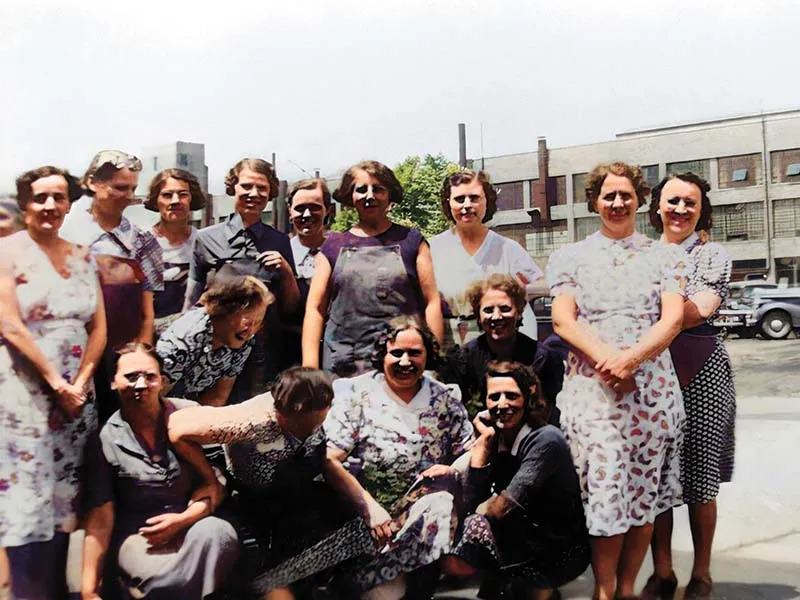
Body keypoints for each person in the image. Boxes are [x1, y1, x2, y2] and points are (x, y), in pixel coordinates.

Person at [545, 162, 687, 600]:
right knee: (605, 489)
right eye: (609, 195)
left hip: (652, 390)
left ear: (639, 199)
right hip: (593, 390)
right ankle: (603, 590)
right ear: (594, 201)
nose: (618, 202)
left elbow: (673, 318)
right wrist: (611, 363)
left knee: (642, 493)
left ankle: (626, 588)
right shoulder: (570, 256)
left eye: (626, 194)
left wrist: (632, 362)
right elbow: (563, 320)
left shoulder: (666, 255)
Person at [167, 366, 374, 599]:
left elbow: (323, 458)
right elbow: (177, 427)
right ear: (289, 414)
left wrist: (368, 508)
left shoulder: (320, 405)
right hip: (252, 505)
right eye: (310, 424)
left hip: (295, 496)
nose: (316, 427)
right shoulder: (250, 423)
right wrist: (208, 478)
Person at [0, 166, 106, 599]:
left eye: (59, 197)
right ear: (25, 203)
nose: (50, 206)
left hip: (78, 398)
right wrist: (55, 382)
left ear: (69, 203)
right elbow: (9, 324)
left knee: (68, 497)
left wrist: (79, 383)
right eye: (40, 198)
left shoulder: (83, 254)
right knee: (28, 497)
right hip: (27, 393)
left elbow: (98, 327)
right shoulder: (6, 252)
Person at [323, 316, 473, 598]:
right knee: (384, 595)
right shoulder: (357, 395)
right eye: (396, 353)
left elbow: (470, 451)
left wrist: (452, 469)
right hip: (371, 517)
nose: (405, 361)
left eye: (414, 353)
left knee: (440, 502)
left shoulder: (444, 400)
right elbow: (329, 459)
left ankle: (371, 577)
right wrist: (370, 509)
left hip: (424, 517)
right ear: (382, 355)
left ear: (427, 355)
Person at [81, 342, 239, 600]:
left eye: (149, 377)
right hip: (141, 538)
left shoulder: (188, 415)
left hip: (193, 525)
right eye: (131, 377)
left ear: (163, 381)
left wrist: (182, 521)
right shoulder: (104, 439)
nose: (140, 385)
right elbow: (101, 517)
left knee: (218, 534)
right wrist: (89, 589)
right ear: (113, 382)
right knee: (170, 580)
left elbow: (217, 483)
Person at [641, 173, 736, 600]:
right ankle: (662, 572)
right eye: (672, 201)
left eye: (689, 203)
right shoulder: (638, 254)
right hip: (650, 369)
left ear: (701, 209)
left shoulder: (712, 253)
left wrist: (647, 307)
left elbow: (699, 310)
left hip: (701, 369)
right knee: (657, 475)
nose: (680, 210)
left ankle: (701, 573)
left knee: (700, 478)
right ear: (657, 207)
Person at [442, 361, 589, 600]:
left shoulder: (545, 439)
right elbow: (474, 501)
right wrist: (483, 447)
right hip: (521, 538)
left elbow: (502, 507)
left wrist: (482, 507)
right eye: (494, 397)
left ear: (529, 395)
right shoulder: (497, 437)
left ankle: (536, 585)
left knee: (474, 532)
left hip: (559, 550)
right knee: (459, 552)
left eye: (511, 396)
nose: (502, 404)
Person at [303, 160, 444, 378]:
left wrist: (432, 362)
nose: (370, 196)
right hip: (344, 363)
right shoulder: (332, 246)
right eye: (361, 190)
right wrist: (310, 369)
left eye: (378, 189)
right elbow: (315, 309)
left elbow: (431, 301)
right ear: (350, 197)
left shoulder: (412, 241)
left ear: (389, 195)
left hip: (402, 360)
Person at [60, 149, 163, 423]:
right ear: (93, 183)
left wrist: (140, 354)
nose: (128, 196)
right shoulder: (65, 234)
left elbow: (147, 312)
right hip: (73, 349)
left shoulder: (141, 240)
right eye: (119, 188)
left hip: (121, 351)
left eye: (132, 188)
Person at [185, 157, 299, 397]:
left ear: (270, 194)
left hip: (261, 352)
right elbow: (191, 302)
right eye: (246, 186)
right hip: (214, 349)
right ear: (232, 187)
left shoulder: (279, 241)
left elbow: (290, 307)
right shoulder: (206, 238)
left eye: (261, 188)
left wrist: (286, 270)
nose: (253, 193)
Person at [429, 169, 546, 350]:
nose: (467, 205)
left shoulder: (508, 248)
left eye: (474, 198)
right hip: (446, 342)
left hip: (496, 342)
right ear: (448, 203)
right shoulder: (431, 249)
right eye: (459, 199)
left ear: (487, 201)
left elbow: (536, 290)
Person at [441, 273, 565, 420]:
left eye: (505, 308)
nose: (497, 316)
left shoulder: (542, 357)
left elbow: (547, 411)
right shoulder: (462, 360)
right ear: (478, 315)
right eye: (488, 310)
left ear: (518, 312)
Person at [156, 275, 273, 406]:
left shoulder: (244, 340)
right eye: (247, 321)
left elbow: (218, 397)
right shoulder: (184, 337)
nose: (250, 331)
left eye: (257, 323)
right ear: (224, 310)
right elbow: (154, 399)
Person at [146, 168, 206, 336]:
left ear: (192, 199)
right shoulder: (140, 243)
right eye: (167, 195)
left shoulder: (206, 242)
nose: (175, 201)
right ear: (156, 200)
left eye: (183, 194)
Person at [285, 178, 333, 365]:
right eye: (299, 208)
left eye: (314, 207)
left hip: (333, 350)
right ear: (290, 212)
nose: (306, 214)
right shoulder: (280, 250)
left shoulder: (341, 250)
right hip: (288, 352)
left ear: (327, 210)